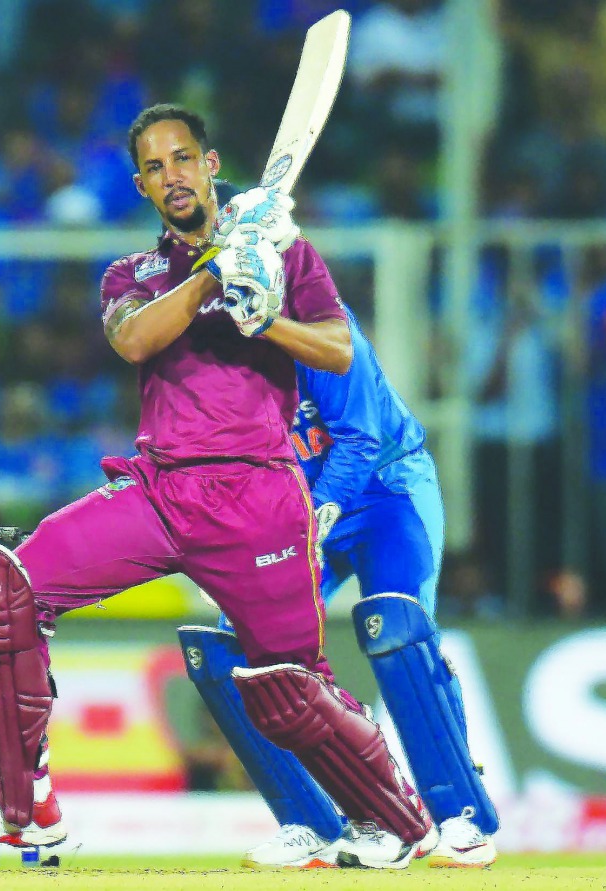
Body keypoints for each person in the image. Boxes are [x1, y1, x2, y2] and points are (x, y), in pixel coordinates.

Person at [0, 103, 436, 870]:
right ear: (140, 185)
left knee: (291, 690)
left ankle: (395, 822)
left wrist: (268, 319)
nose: (173, 176)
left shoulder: (287, 257)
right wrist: (210, 279)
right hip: (159, 492)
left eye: (184, 159)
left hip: (260, 500)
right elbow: (133, 336)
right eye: (156, 168)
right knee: (4, 590)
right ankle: (22, 808)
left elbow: (334, 351)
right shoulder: (133, 273)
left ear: (211, 162)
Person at [179, 291, 498, 868]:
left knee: (400, 630)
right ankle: (312, 821)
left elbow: (360, 437)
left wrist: (315, 514)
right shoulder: (213, 354)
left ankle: (459, 816)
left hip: (386, 487)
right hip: (296, 509)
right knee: (243, 649)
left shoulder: (321, 322)